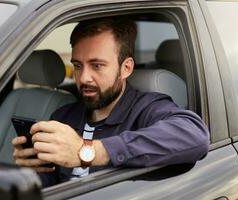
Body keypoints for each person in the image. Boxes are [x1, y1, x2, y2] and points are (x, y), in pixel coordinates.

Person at [12, 17, 210, 187]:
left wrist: (90, 151)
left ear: (126, 68)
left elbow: (194, 134)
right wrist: (31, 170)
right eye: (78, 66)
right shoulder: (62, 117)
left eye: (97, 65)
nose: (83, 78)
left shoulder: (146, 109)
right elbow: (49, 187)